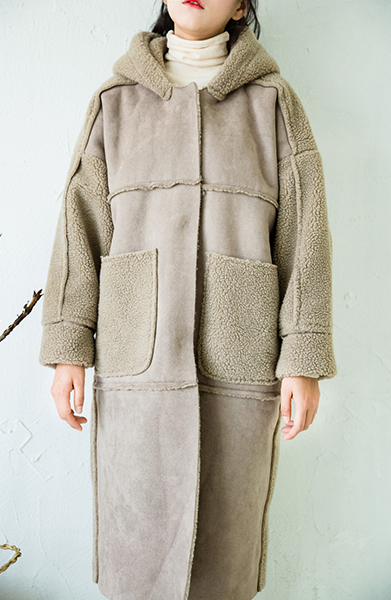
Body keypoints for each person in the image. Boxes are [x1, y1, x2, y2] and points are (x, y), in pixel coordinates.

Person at [39, 1, 338, 599]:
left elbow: (304, 233)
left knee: (224, 557)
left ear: (242, 5)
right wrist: (69, 346)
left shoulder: (272, 103)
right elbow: (80, 225)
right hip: (135, 366)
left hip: (239, 365)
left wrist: (302, 357)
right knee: (137, 551)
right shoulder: (116, 102)